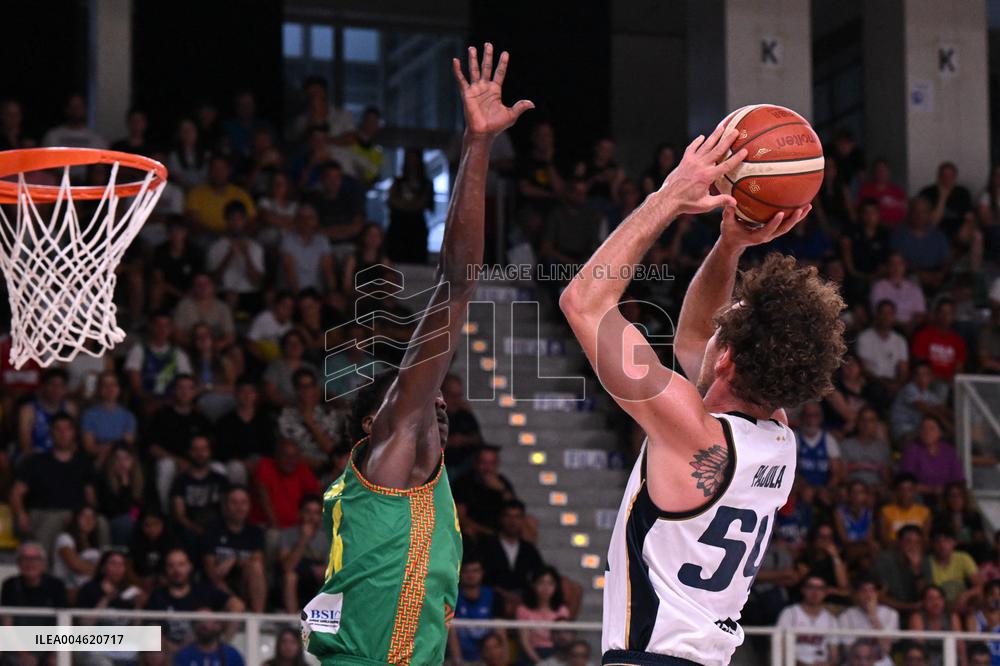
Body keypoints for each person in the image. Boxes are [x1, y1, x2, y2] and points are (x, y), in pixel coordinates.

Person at [559, 119, 837, 665]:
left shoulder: (693, 432)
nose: (709, 332)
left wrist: (668, 198)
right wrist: (730, 245)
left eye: (723, 332)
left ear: (728, 357)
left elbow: (584, 302)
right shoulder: (778, 438)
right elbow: (693, 338)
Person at [302, 44, 533, 666]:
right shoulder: (386, 461)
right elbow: (457, 284)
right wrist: (477, 146)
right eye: (417, 397)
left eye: (436, 402)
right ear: (374, 425)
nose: (433, 402)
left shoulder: (437, 501)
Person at [9, 413, 98, 554]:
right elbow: (16, 493)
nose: (63, 434)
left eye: (67, 429)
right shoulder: (35, 461)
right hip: (42, 513)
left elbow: (90, 497)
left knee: (102, 523)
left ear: (74, 433)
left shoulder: (84, 463)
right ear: (51, 434)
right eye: (58, 429)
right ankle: (43, 569)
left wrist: (90, 515)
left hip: (75, 516)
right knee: (56, 520)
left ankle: (104, 567)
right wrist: (20, 513)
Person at [148, 375, 213, 511]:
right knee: (166, 466)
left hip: (198, 461)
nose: (185, 392)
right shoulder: (162, 415)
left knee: (219, 469)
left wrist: (196, 463)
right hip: (172, 462)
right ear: (174, 391)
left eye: (189, 388)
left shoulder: (201, 419)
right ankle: (165, 512)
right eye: (180, 388)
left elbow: (209, 447)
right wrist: (178, 461)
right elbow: (153, 448)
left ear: (195, 392)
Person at [201, 485, 267, 612]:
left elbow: (257, 561)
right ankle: (239, 607)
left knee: (256, 567)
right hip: (217, 585)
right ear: (225, 506)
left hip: (244, 583)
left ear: (249, 506)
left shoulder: (255, 532)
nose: (239, 507)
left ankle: (258, 618)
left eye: (243, 502)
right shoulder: (212, 531)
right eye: (234, 502)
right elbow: (211, 573)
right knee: (216, 580)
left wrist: (234, 561)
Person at [125, 312, 193, 414]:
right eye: (158, 325)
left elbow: (186, 383)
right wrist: (153, 400)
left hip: (172, 402)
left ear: (171, 329)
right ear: (151, 327)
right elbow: (136, 386)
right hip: (147, 401)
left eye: (166, 326)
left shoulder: (178, 353)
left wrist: (169, 402)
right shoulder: (139, 350)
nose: (162, 329)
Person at [479, 499, 544, 606]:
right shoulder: (486, 545)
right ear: (501, 519)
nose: (512, 521)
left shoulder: (529, 549)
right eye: (508, 516)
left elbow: (538, 575)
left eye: (517, 517)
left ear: (523, 520)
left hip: (522, 600)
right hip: (493, 598)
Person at [206, 200, 265, 313]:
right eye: (232, 219)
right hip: (223, 294)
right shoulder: (216, 247)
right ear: (226, 221)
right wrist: (229, 256)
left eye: (239, 219)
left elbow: (257, 281)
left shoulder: (255, 247)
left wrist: (247, 255)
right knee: (229, 297)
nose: (236, 223)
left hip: (249, 294)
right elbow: (214, 281)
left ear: (244, 221)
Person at [277, 368, 338, 473]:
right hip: (295, 467)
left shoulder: (327, 413)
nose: (307, 391)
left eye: (311, 386)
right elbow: (285, 451)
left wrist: (310, 422)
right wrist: (308, 462)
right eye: (302, 387)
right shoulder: (286, 415)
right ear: (296, 389)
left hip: (326, 467)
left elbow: (331, 449)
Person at [251, 439, 321, 529]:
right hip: (268, 526)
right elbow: (264, 500)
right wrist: (277, 528)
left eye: (294, 456)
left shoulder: (302, 469)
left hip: (298, 527)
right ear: (277, 456)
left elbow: (316, 496)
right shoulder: (265, 466)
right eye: (286, 456)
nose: (290, 460)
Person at [448, 556, 505, 665]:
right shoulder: (452, 597)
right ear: (460, 573)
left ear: (482, 573)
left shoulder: (493, 596)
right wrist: (458, 662)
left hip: (488, 660)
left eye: (475, 571)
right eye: (466, 571)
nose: (471, 575)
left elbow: (501, 631)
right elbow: (451, 633)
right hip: (461, 660)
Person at [278, 495, 329, 614]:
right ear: (300, 513)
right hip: (290, 582)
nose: (312, 517)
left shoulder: (327, 538)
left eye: (316, 513)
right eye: (308, 512)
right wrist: (304, 539)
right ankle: (293, 623)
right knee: (290, 577)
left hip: (315, 581)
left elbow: (329, 570)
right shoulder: (287, 534)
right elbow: (287, 567)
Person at [170, 435, 229, 539]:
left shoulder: (220, 480)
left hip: (217, 529)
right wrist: (197, 529)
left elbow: (226, 511)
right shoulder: (181, 481)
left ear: (210, 451)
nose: (200, 453)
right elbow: (180, 515)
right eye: (195, 449)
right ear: (189, 452)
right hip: (191, 530)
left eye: (204, 449)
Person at [452, 445, 517, 537]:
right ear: (476, 463)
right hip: (476, 531)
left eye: (491, 463)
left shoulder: (502, 482)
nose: (487, 468)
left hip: (500, 530)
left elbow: (515, 509)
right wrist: (488, 532)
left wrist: (501, 490)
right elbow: (460, 517)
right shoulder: (463, 483)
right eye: (483, 462)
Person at [775, 576, 841, 666]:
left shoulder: (830, 619)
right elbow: (780, 648)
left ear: (825, 592)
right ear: (803, 590)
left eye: (820, 589)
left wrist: (828, 664)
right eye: (811, 587)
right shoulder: (790, 613)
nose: (815, 592)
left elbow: (834, 656)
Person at [186, 156, 257, 235]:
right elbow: (193, 223)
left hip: (236, 237)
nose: (218, 172)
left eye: (222, 168)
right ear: (209, 172)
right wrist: (218, 234)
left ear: (228, 171)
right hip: (207, 238)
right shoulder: (196, 193)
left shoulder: (241, 194)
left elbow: (252, 222)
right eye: (215, 169)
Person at [386, 147, 434, 263]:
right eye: (409, 159)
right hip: (398, 227)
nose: (411, 163)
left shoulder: (426, 184)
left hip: (416, 227)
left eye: (414, 159)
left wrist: (406, 206)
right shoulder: (397, 182)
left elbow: (422, 203)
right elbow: (392, 200)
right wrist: (408, 206)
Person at [0, 542, 67, 626]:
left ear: (43, 563)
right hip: (18, 636)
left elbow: (63, 621)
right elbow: (6, 620)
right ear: (18, 563)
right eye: (25, 558)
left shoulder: (56, 586)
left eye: (35, 558)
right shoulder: (10, 585)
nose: (30, 563)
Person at [874, 524, 933, 617]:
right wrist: (910, 607)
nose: (913, 546)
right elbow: (879, 597)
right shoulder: (884, 560)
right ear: (899, 542)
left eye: (917, 542)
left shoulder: (924, 561)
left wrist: (916, 570)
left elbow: (925, 596)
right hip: (889, 610)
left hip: (916, 612)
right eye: (908, 541)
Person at [515, 567, 572, 664]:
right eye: (541, 582)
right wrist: (541, 663)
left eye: (550, 583)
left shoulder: (562, 610)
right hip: (532, 655)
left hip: (557, 655)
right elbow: (524, 641)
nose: (546, 588)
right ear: (533, 585)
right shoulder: (523, 610)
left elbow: (566, 639)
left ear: (556, 586)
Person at [899, 416, 964, 500]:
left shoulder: (949, 451)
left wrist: (946, 491)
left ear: (940, 433)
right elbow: (907, 483)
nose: (927, 432)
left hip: (946, 497)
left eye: (931, 429)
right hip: (920, 497)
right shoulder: (912, 450)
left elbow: (958, 479)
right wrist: (932, 490)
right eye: (923, 429)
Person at [81, 371, 138, 467]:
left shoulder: (128, 416)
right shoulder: (89, 415)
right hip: (98, 460)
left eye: (113, 384)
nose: (110, 388)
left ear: (119, 389)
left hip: (121, 461)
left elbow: (127, 445)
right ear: (99, 389)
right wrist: (112, 447)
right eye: (105, 385)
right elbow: (89, 447)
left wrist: (106, 448)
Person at [16, 367, 76, 457]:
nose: (56, 390)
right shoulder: (28, 410)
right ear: (43, 387)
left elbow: (73, 442)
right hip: (33, 458)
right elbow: (25, 446)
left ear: (66, 389)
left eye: (61, 386)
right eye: (52, 385)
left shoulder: (70, 408)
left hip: (61, 458)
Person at [838, 576, 900, 659]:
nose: (868, 595)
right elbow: (848, 651)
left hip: (881, 662)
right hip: (855, 662)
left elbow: (886, 649)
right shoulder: (846, 616)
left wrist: (873, 616)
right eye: (863, 591)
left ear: (877, 593)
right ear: (857, 594)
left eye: (872, 590)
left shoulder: (891, 614)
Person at [280, 203, 336, 293]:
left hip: (317, 292)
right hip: (293, 292)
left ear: (316, 220)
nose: (305, 221)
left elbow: (328, 272)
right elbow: (290, 273)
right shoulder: (287, 240)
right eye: (301, 217)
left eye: (310, 217)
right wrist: (298, 297)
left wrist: (332, 293)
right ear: (296, 220)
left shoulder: (322, 241)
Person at [890, 361, 951, 444]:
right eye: (919, 374)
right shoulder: (909, 388)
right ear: (914, 377)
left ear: (931, 377)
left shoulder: (929, 394)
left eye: (926, 374)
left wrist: (956, 417)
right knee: (939, 434)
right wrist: (945, 423)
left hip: (918, 431)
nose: (922, 377)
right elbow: (923, 408)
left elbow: (941, 408)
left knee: (944, 436)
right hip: (903, 433)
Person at [856, 300, 910, 393]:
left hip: (893, 383)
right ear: (877, 315)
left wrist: (898, 384)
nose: (886, 317)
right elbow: (864, 370)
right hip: (872, 383)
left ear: (894, 316)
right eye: (883, 313)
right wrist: (884, 384)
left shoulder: (900, 340)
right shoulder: (864, 337)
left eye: (890, 313)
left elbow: (903, 370)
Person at [171, 273, 236, 349]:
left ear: (213, 286)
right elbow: (177, 334)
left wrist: (213, 347)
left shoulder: (223, 308)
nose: (202, 287)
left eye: (206, 283)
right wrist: (196, 347)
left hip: (215, 349)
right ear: (193, 288)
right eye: (198, 284)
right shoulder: (183, 306)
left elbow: (230, 336)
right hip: (189, 348)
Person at [97, 444, 145, 546]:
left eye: (126, 458)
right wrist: (125, 485)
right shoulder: (104, 482)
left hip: (138, 521)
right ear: (111, 462)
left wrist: (135, 516)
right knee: (125, 521)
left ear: (133, 461)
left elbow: (148, 506)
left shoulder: (143, 481)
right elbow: (117, 511)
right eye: (117, 459)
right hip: (116, 522)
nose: (122, 463)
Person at [911, 298, 967, 382]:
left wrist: (952, 380)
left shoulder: (958, 340)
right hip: (928, 380)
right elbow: (920, 365)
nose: (945, 316)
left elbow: (959, 368)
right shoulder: (924, 335)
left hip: (949, 382)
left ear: (953, 316)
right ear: (936, 314)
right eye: (942, 312)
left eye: (949, 313)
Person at [870, 253, 927, 332]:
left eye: (899, 263)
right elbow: (879, 313)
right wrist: (900, 326)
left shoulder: (914, 289)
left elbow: (920, 314)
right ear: (887, 266)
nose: (896, 267)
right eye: (892, 264)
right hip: (888, 328)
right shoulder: (879, 287)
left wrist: (910, 326)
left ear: (905, 266)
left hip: (911, 329)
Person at [839, 407, 892, 490]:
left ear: (876, 424)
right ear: (857, 423)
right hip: (852, 489)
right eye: (863, 420)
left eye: (871, 421)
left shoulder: (882, 448)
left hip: (876, 488)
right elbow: (842, 476)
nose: (866, 424)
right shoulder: (846, 445)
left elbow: (887, 478)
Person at [908, 585, 963, 664]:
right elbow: (919, 647)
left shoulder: (952, 617)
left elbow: (960, 646)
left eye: (939, 598)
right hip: (926, 660)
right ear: (923, 602)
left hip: (949, 657)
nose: (935, 603)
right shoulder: (917, 618)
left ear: (944, 600)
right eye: (930, 599)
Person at [930, 527, 982, 610]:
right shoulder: (927, 562)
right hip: (939, 609)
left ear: (954, 542)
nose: (942, 545)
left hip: (963, 605)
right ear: (932, 544)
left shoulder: (963, 558)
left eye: (947, 541)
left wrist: (965, 595)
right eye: (937, 541)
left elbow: (981, 586)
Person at [172, 611, 246, 666]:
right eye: (200, 622)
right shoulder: (184, 654)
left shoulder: (231, 654)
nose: (204, 625)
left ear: (218, 626)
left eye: (207, 621)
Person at [42, 93, 107, 151]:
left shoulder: (97, 139)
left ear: (85, 109)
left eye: (79, 107)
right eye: (72, 107)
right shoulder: (52, 137)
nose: (75, 111)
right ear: (66, 109)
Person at [880, 473, 932, 544]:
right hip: (893, 550)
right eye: (902, 489)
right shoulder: (885, 511)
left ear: (914, 491)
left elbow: (925, 539)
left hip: (916, 549)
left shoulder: (925, 512)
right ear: (896, 492)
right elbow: (884, 539)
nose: (905, 493)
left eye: (909, 489)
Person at [858, 158, 908, 226]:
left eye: (884, 170)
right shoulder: (865, 190)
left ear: (889, 172)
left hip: (897, 229)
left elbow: (906, 212)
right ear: (874, 172)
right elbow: (860, 213)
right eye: (879, 170)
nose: (882, 173)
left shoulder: (898, 191)